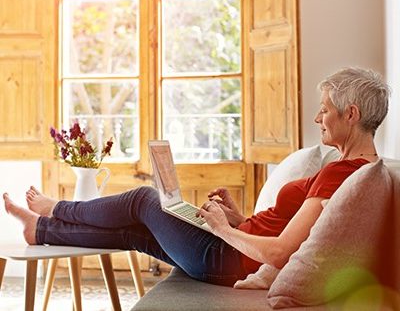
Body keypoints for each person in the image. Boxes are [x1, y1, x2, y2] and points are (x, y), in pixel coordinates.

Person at [3, 67, 390, 287]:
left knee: (143, 199)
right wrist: (239, 219)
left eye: (325, 111)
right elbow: (284, 231)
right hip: (229, 249)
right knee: (135, 232)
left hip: (224, 258)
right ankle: (40, 230)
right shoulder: (357, 170)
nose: (318, 119)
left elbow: (281, 253)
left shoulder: (344, 173)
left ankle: (59, 208)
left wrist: (222, 229)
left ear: (351, 114)